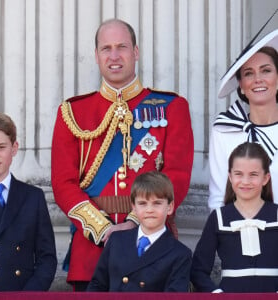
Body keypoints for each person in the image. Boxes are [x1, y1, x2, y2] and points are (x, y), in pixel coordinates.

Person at [51, 18, 194, 290]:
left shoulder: (172, 107)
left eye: (122, 47)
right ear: (96, 56)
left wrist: (134, 222)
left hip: (152, 251)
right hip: (92, 253)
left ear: (136, 52)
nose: (114, 56)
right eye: (106, 48)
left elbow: (177, 174)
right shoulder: (72, 113)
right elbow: (62, 183)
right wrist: (103, 231)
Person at [0, 112, 57, 293]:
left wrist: (28, 295)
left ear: (14, 148)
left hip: (22, 294)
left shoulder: (33, 197)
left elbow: (47, 257)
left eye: (1, 147)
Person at [191, 142, 278, 293]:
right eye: (238, 174)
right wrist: (216, 293)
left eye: (253, 175)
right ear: (230, 177)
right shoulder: (218, 218)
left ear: (265, 178)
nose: (245, 181)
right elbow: (198, 270)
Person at [87, 171, 192, 292]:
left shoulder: (180, 254)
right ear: (134, 208)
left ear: (170, 207)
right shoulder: (116, 240)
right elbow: (97, 286)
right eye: (142, 203)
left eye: (157, 203)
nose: (149, 210)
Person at [208, 29, 278, 211]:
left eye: (266, 71)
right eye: (248, 73)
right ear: (241, 85)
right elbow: (218, 198)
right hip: (238, 232)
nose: (258, 79)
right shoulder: (225, 129)